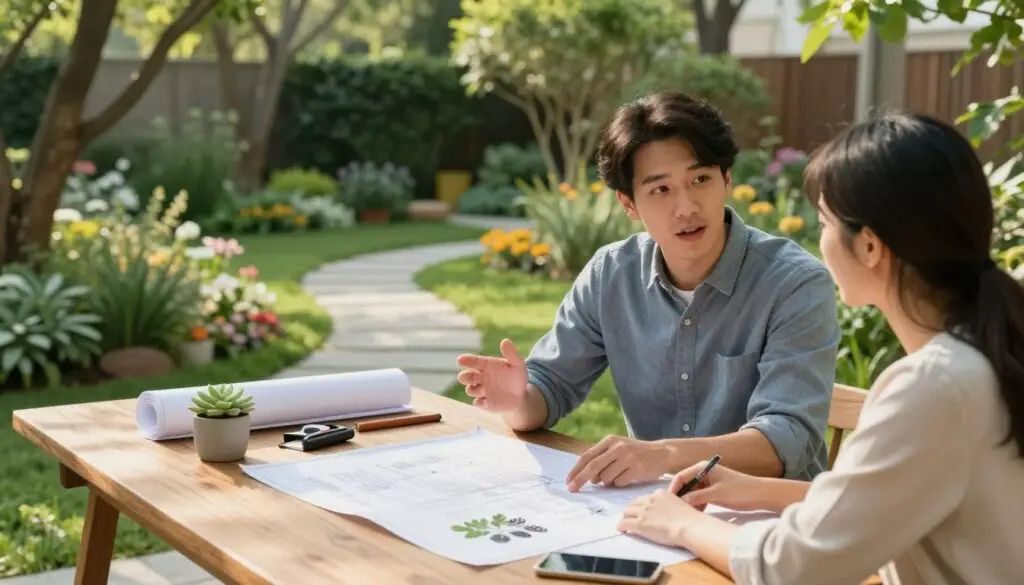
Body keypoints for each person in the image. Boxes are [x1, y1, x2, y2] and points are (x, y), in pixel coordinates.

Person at [616, 112, 1024, 585]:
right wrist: (760, 491)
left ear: (869, 247)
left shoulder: (935, 387)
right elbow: (884, 500)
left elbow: (794, 568)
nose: (819, 240)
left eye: (825, 221)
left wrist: (684, 524)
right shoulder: (987, 351)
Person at [456, 90, 841, 487]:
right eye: (661, 189)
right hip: (655, 511)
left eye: (701, 179)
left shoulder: (794, 284)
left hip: (767, 522)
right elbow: (549, 389)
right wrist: (518, 401)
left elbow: (787, 441)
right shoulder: (611, 274)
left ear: (726, 180)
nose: (687, 207)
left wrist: (664, 455)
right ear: (629, 203)